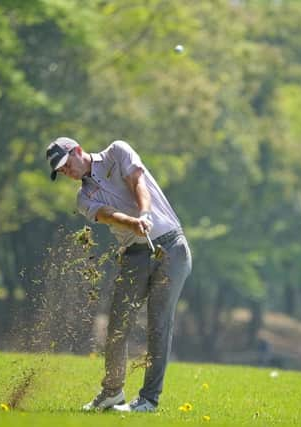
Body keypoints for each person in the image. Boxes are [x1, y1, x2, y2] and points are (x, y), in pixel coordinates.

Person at [46, 137, 192, 413]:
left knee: (159, 324)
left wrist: (145, 214)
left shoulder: (117, 152)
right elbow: (109, 214)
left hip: (171, 247)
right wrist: (133, 223)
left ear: (77, 151)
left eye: (66, 165)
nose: (66, 172)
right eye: (60, 171)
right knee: (117, 326)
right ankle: (112, 392)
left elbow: (139, 183)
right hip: (133, 254)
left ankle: (148, 400)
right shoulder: (83, 198)